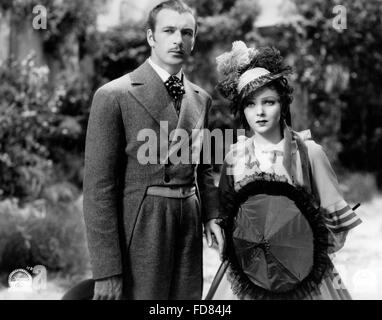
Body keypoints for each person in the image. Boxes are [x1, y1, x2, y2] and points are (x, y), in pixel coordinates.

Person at [83, 0, 223, 300]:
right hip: (142, 226)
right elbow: (98, 190)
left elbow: (206, 167)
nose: (178, 40)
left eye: (187, 32)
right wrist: (107, 270)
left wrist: (212, 215)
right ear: (151, 37)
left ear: (194, 40)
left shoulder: (201, 99)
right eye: (169, 30)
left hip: (187, 225)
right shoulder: (114, 95)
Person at [208, 41, 362, 300]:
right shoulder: (234, 157)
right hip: (249, 275)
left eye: (268, 102)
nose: (259, 112)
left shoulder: (309, 153)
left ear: (283, 104)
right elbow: (227, 219)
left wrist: (301, 254)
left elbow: (336, 225)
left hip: (302, 274)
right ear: (241, 109)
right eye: (250, 104)